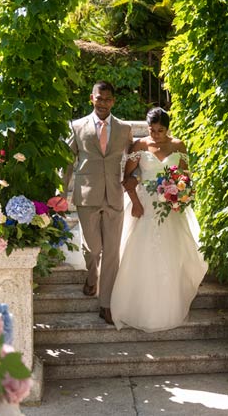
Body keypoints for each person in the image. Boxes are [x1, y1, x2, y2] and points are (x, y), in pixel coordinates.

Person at [110, 107, 208, 332]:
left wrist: (179, 195)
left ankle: (169, 301)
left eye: (160, 130)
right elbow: (128, 178)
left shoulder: (178, 145)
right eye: (152, 130)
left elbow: (185, 177)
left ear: (168, 128)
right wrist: (135, 202)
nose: (155, 134)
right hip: (145, 206)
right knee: (142, 251)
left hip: (170, 206)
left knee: (172, 252)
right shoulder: (140, 146)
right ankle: (136, 303)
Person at [62, 80, 134, 325]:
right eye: (99, 98)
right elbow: (67, 161)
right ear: (91, 98)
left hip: (114, 195)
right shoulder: (76, 126)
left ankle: (106, 304)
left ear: (113, 101)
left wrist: (135, 182)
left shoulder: (124, 129)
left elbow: (133, 158)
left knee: (112, 252)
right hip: (86, 195)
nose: (103, 103)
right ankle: (92, 277)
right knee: (93, 249)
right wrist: (61, 192)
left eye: (107, 99)